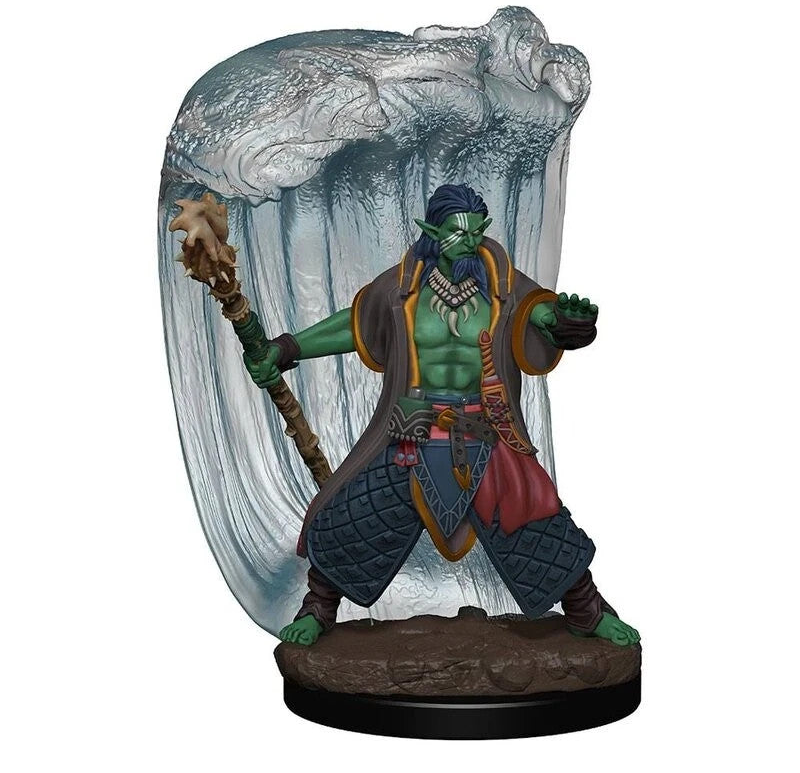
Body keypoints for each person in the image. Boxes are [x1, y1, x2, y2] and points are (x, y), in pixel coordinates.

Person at [246, 184, 639, 648]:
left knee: (537, 516)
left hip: (486, 431)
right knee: (355, 514)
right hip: (411, 431)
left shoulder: (502, 286)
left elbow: (541, 315)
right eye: (457, 232)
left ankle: (586, 609)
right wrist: (288, 348)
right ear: (432, 231)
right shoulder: (401, 288)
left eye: (476, 231)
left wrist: (566, 323)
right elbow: (355, 325)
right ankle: (319, 607)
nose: (469, 242)